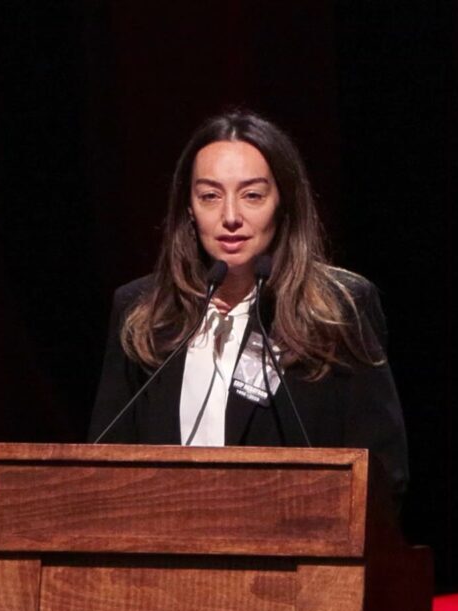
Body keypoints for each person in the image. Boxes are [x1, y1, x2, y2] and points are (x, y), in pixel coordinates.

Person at [88, 109, 408, 501]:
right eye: (210, 196)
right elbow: (101, 467)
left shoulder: (337, 310)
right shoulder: (142, 312)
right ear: (189, 208)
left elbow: (382, 474)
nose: (230, 217)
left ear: (283, 202)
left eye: (252, 195)